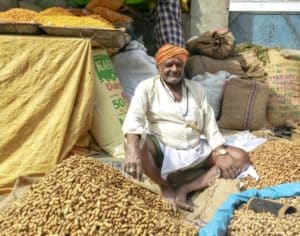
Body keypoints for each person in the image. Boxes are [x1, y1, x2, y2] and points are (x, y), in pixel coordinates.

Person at [122, 44, 250, 212]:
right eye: (169, 65)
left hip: (195, 147)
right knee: (137, 145)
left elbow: (210, 123)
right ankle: (165, 186)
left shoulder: (196, 88)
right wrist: (132, 150)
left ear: (183, 66)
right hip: (164, 147)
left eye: (179, 65)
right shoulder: (147, 87)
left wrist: (220, 152)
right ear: (158, 66)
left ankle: (185, 189)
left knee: (240, 157)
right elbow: (134, 119)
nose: (174, 69)